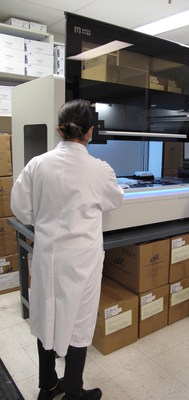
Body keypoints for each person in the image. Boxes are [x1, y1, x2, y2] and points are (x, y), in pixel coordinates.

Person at [11, 99, 124, 400]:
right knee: (79, 321)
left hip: (48, 256)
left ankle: (47, 388)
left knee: (46, 315)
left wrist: (44, 219)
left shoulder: (37, 164)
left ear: (59, 129)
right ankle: (73, 391)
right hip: (82, 261)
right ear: (90, 131)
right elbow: (115, 200)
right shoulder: (99, 169)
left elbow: (20, 207)